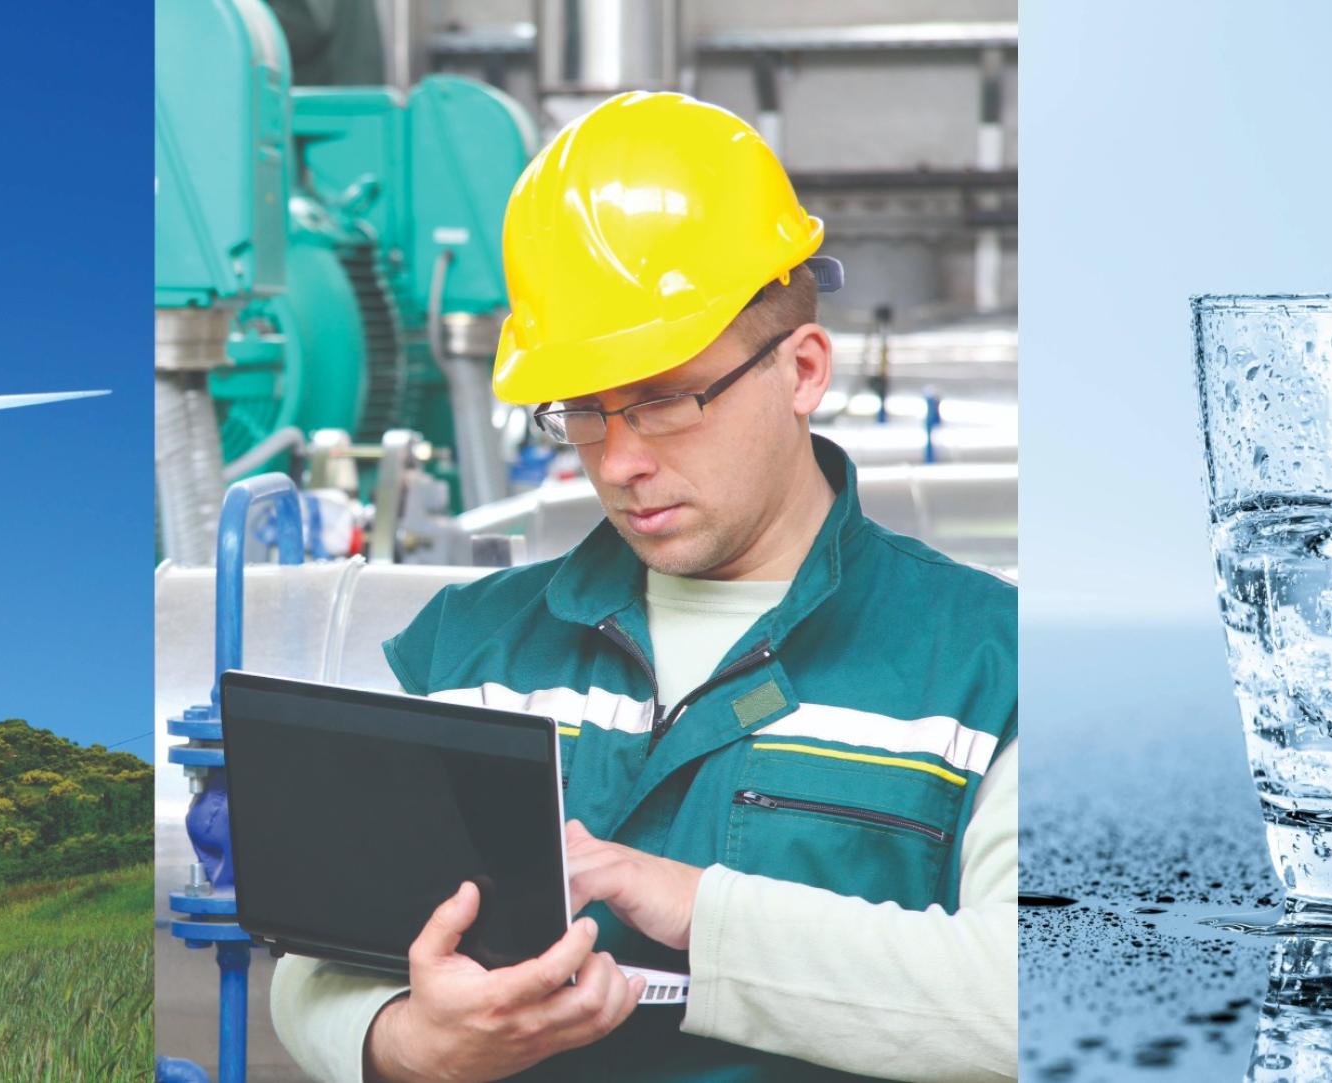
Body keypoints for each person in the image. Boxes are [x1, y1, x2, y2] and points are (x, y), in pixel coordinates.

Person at [270, 91, 1018, 1083]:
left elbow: (1034, 1001)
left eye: (665, 399)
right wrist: (408, 1044)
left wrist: (698, 911)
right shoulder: (473, 652)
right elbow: (321, 959)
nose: (617, 460)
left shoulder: (988, 665)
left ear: (800, 370)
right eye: (583, 408)